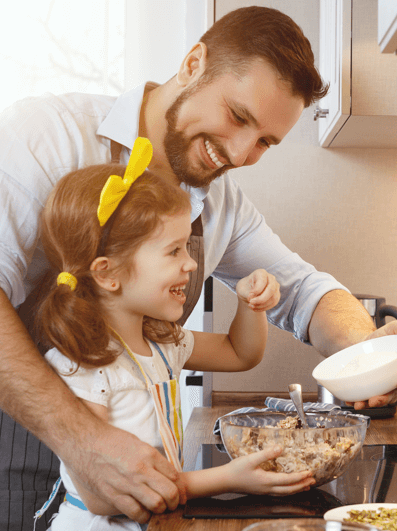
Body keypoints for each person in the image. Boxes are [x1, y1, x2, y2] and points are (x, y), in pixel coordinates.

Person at [0, 5, 397, 529]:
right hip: (18, 443)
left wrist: (365, 355)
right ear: (195, 62)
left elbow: (302, 290)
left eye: (265, 141)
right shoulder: (46, 135)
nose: (242, 153)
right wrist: (82, 438)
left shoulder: (220, 207)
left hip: (143, 477)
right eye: (239, 116)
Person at [33, 137, 315, 530]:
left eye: (188, 248)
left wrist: (251, 305)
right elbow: (101, 495)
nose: (190, 265)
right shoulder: (82, 362)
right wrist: (225, 479)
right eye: (173, 251)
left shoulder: (163, 343)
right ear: (107, 273)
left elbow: (240, 353)